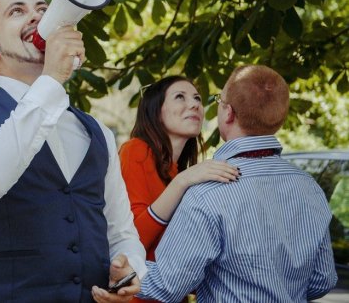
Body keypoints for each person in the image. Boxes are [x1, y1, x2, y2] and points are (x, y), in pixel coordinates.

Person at [0, 0, 147, 303]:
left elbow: (120, 231)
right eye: (17, 11)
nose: (36, 17)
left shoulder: (97, 132)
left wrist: (130, 271)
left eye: (43, 10)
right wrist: (52, 79)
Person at [138, 65, 338, 302]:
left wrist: (117, 273)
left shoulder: (207, 192)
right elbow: (322, 280)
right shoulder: (309, 188)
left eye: (219, 101)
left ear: (228, 113)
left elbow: (168, 285)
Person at [119, 76, 239, 300]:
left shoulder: (181, 173)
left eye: (197, 98)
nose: (194, 104)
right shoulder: (136, 151)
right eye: (180, 97)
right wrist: (182, 182)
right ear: (156, 111)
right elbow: (132, 241)